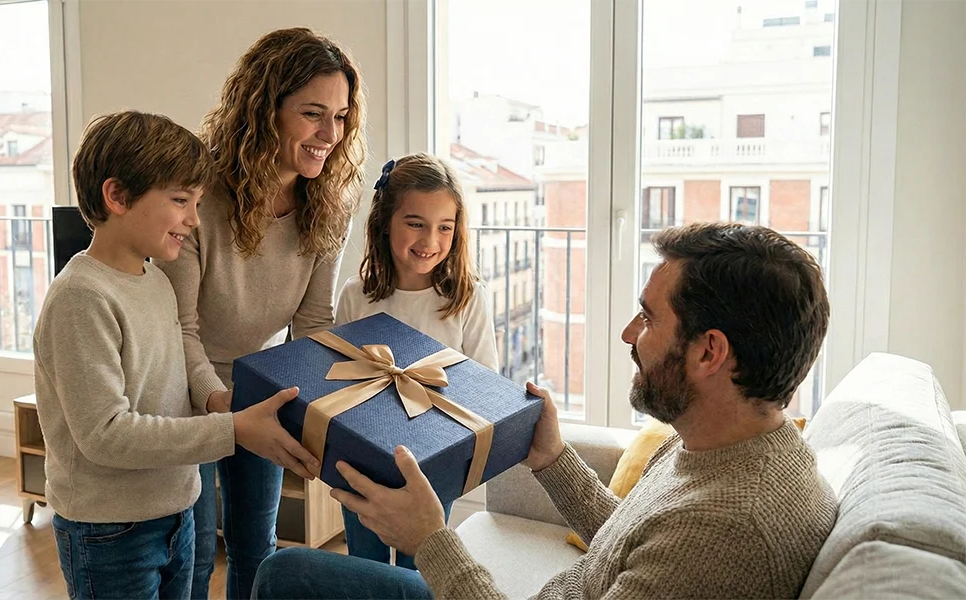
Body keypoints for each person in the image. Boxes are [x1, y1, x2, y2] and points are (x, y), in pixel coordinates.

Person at [252, 221, 839, 600]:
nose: (628, 333)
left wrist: (432, 540)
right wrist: (553, 460)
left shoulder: (727, 529)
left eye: (650, 318)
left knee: (287, 577)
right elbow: (629, 543)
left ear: (710, 353)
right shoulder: (718, 447)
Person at [34, 110, 318, 600]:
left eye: (198, 203)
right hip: (110, 530)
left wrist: (219, 402)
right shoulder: (82, 299)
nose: (192, 219)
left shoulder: (157, 283)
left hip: (175, 508)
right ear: (117, 196)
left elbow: (175, 380)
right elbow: (105, 435)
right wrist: (231, 430)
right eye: (181, 201)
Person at [153, 27, 367, 600]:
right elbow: (182, 328)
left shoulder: (329, 202)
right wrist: (221, 409)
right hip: (184, 394)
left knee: (257, 549)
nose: (331, 134)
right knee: (192, 558)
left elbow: (314, 324)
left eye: (342, 116)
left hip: (261, 387)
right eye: (313, 114)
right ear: (263, 109)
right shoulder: (200, 195)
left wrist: (326, 413)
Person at [335, 153, 499, 569]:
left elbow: (486, 385)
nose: (430, 241)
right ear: (384, 222)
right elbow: (338, 383)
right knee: (365, 568)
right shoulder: (357, 296)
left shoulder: (466, 299)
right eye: (415, 224)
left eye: (445, 227)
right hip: (362, 459)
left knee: (421, 569)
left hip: (434, 463)